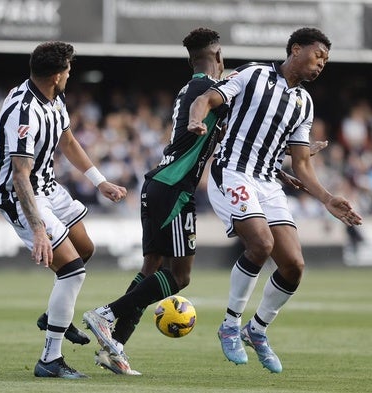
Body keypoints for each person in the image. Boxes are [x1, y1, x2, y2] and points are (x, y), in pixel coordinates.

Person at [187, 27, 363, 373]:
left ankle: (258, 330)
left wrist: (328, 199)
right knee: (261, 243)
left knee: (294, 267)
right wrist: (196, 120)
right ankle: (230, 324)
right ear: (296, 50)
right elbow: (206, 99)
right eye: (318, 56)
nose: (321, 64)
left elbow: (300, 164)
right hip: (233, 172)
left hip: (267, 183)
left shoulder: (304, 103)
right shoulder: (254, 75)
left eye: (325, 61)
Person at [81, 27, 229, 375]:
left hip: (158, 185)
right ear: (218, 57)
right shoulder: (211, 91)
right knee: (180, 277)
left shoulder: (190, 88)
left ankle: (114, 348)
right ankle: (105, 314)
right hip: (176, 190)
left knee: (151, 270)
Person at [0, 41, 127, 379]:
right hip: (21, 195)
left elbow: (67, 141)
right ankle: (50, 360)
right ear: (56, 75)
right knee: (73, 271)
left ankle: (54, 317)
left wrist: (99, 182)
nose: (70, 74)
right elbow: (20, 175)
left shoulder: (53, 96)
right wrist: (38, 228)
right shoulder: (23, 112)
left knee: (85, 249)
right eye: (68, 70)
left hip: (49, 188)